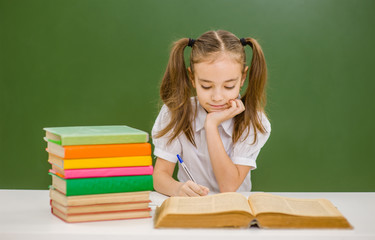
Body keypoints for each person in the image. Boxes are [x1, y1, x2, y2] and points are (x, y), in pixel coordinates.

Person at [152, 30, 271, 197]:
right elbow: (160, 176)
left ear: (243, 77)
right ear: (192, 78)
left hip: (234, 213)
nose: (217, 97)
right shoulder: (175, 113)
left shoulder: (254, 122)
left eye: (229, 86)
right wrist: (177, 189)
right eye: (206, 86)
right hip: (192, 210)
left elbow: (228, 187)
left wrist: (211, 125)